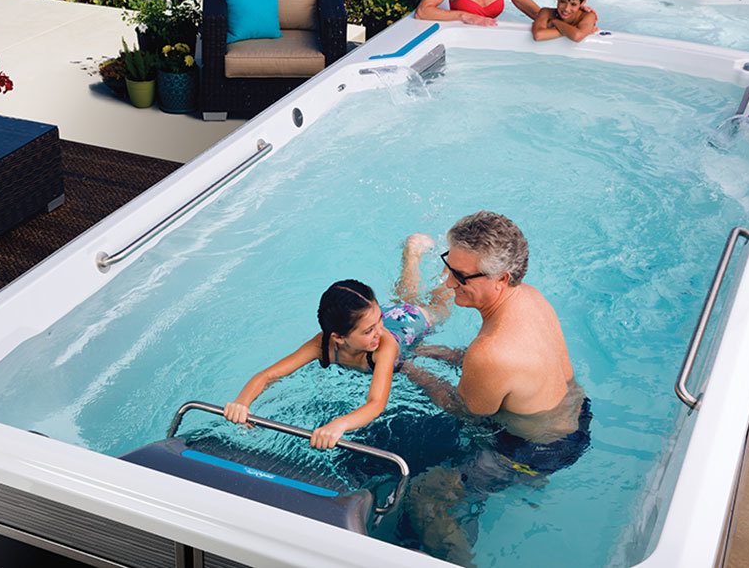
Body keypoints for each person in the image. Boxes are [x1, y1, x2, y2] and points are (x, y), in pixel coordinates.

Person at [400, 211, 590, 566]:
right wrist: (438, 352)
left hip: (533, 452)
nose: (447, 280)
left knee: (427, 495)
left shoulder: (490, 352)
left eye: (460, 275)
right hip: (575, 416)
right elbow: (509, 371)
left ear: (501, 278)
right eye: (448, 264)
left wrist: (404, 365)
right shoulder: (530, 297)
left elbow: (461, 407)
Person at [223, 235, 452, 449]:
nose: (378, 333)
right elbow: (269, 375)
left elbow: (375, 404)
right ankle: (412, 253)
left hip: (409, 324)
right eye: (369, 331)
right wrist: (242, 403)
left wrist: (340, 424)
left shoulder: (384, 344)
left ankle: (451, 272)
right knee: (404, 300)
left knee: (438, 307)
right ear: (339, 338)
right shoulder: (322, 344)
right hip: (386, 316)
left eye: (377, 322)